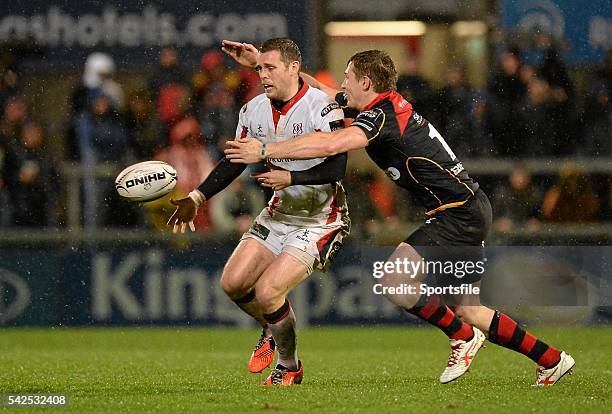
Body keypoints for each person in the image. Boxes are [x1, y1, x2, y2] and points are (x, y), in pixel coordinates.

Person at [222, 43, 574, 387]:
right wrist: (261, 62)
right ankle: (552, 360)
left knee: (395, 281)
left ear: (366, 83)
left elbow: (330, 144)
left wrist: (265, 149)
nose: (342, 85)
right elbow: (315, 88)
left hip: (457, 214)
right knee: (469, 308)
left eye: (348, 77)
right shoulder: (380, 107)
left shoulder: (381, 116)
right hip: (468, 207)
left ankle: (461, 338)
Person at [166, 38, 350, 386]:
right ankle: (271, 327)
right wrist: (196, 196)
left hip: (320, 219)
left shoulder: (322, 106)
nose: (262, 74)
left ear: (294, 68)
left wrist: (291, 175)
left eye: (270, 68)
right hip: (278, 213)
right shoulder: (252, 110)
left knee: (268, 292)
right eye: (260, 68)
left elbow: (337, 168)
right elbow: (235, 160)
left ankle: (289, 367)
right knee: (232, 283)